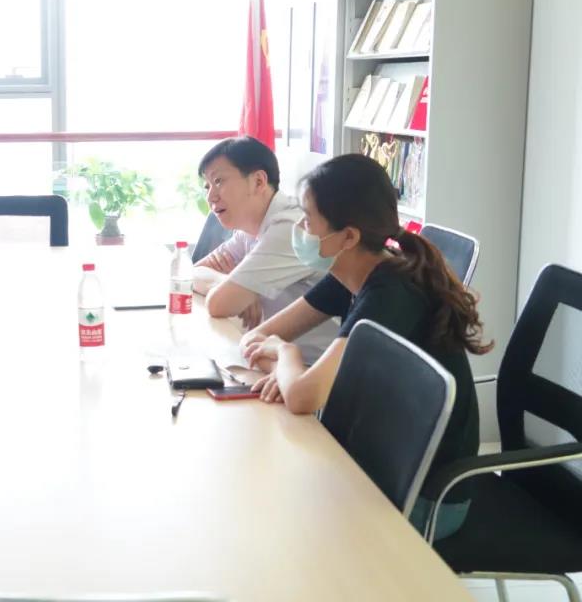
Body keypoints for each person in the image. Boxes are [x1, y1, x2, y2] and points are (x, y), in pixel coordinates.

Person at [240, 154, 489, 540]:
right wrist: (283, 366)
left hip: (425, 498)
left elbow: (303, 395)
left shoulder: (391, 294)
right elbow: (258, 339)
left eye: (308, 220)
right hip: (375, 464)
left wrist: (287, 357)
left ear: (349, 236)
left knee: (271, 517)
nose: (300, 230)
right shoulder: (348, 271)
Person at [194, 137, 337, 362]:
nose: (210, 196)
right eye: (207, 186)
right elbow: (193, 273)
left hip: (312, 369)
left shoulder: (292, 227)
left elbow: (219, 304)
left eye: (219, 181)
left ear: (258, 181)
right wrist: (229, 283)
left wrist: (233, 290)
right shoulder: (250, 227)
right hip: (275, 359)